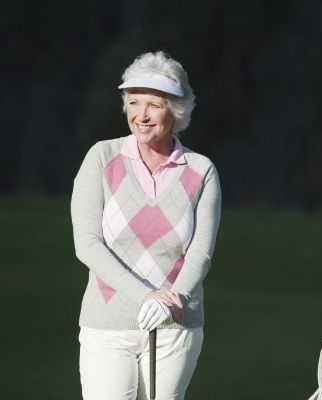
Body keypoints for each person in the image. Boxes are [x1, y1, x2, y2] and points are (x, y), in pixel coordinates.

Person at [71, 50, 221, 400]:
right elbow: (88, 243)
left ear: (177, 110)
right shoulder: (102, 157)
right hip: (107, 323)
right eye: (134, 102)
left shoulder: (201, 170)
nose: (141, 115)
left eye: (154, 104)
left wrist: (171, 301)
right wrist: (146, 296)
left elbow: (201, 251)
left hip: (176, 326)